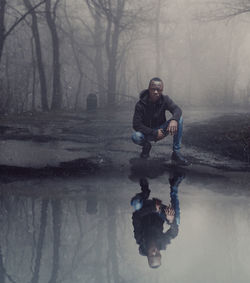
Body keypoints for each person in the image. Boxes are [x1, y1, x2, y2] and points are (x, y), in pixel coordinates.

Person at [131, 171, 184, 268]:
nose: (155, 252)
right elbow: (174, 233)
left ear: (148, 256)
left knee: (136, 204)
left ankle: (145, 192)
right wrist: (170, 220)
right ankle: (174, 187)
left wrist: (153, 208)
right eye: (158, 254)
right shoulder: (162, 243)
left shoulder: (140, 239)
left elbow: (136, 216)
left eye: (153, 255)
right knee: (176, 221)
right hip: (160, 212)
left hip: (147, 207)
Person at [132, 77, 189, 165]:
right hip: (147, 133)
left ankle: (176, 153)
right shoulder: (140, 104)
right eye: (153, 89)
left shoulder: (165, 99)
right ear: (149, 89)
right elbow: (136, 125)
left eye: (158, 89)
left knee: (179, 119)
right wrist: (154, 133)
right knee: (136, 136)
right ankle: (146, 146)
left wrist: (174, 120)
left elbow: (177, 109)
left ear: (162, 90)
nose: (156, 92)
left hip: (162, 130)